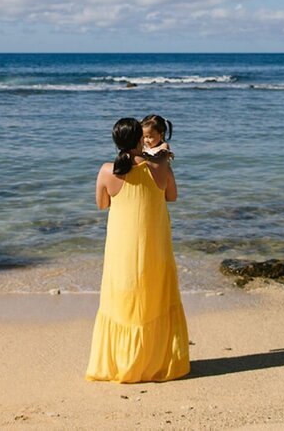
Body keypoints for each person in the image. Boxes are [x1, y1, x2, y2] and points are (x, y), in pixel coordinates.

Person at [85, 117, 190, 383]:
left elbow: (101, 205)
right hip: (155, 243)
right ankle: (157, 363)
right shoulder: (161, 165)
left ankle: (123, 363)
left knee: (123, 299)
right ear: (138, 139)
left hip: (122, 246)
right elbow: (172, 197)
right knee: (154, 296)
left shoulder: (107, 170)